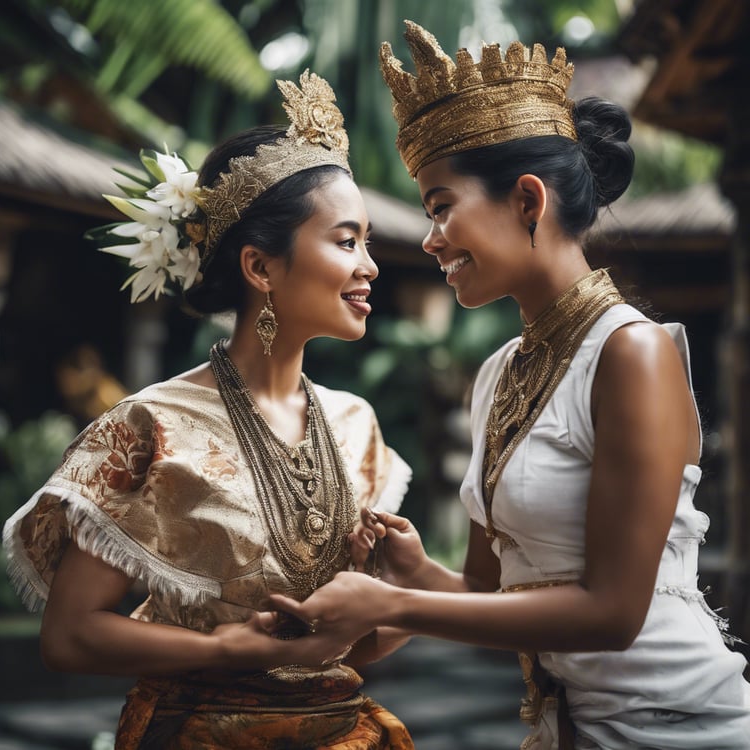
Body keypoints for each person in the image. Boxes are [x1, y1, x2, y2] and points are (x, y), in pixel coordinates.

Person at [269, 22, 750, 750]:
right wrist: (418, 573)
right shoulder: (497, 374)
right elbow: (490, 598)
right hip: (570, 728)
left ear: (528, 200)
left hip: (678, 727)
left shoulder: (631, 352)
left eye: (440, 206)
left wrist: (391, 604)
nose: (430, 237)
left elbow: (613, 614)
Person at [2, 71, 414, 749]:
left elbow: (350, 649)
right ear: (260, 268)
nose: (369, 265)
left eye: (367, 242)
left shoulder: (355, 423)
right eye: (346, 242)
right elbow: (69, 637)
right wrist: (224, 649)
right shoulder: (152, 426)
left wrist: (396, 592)